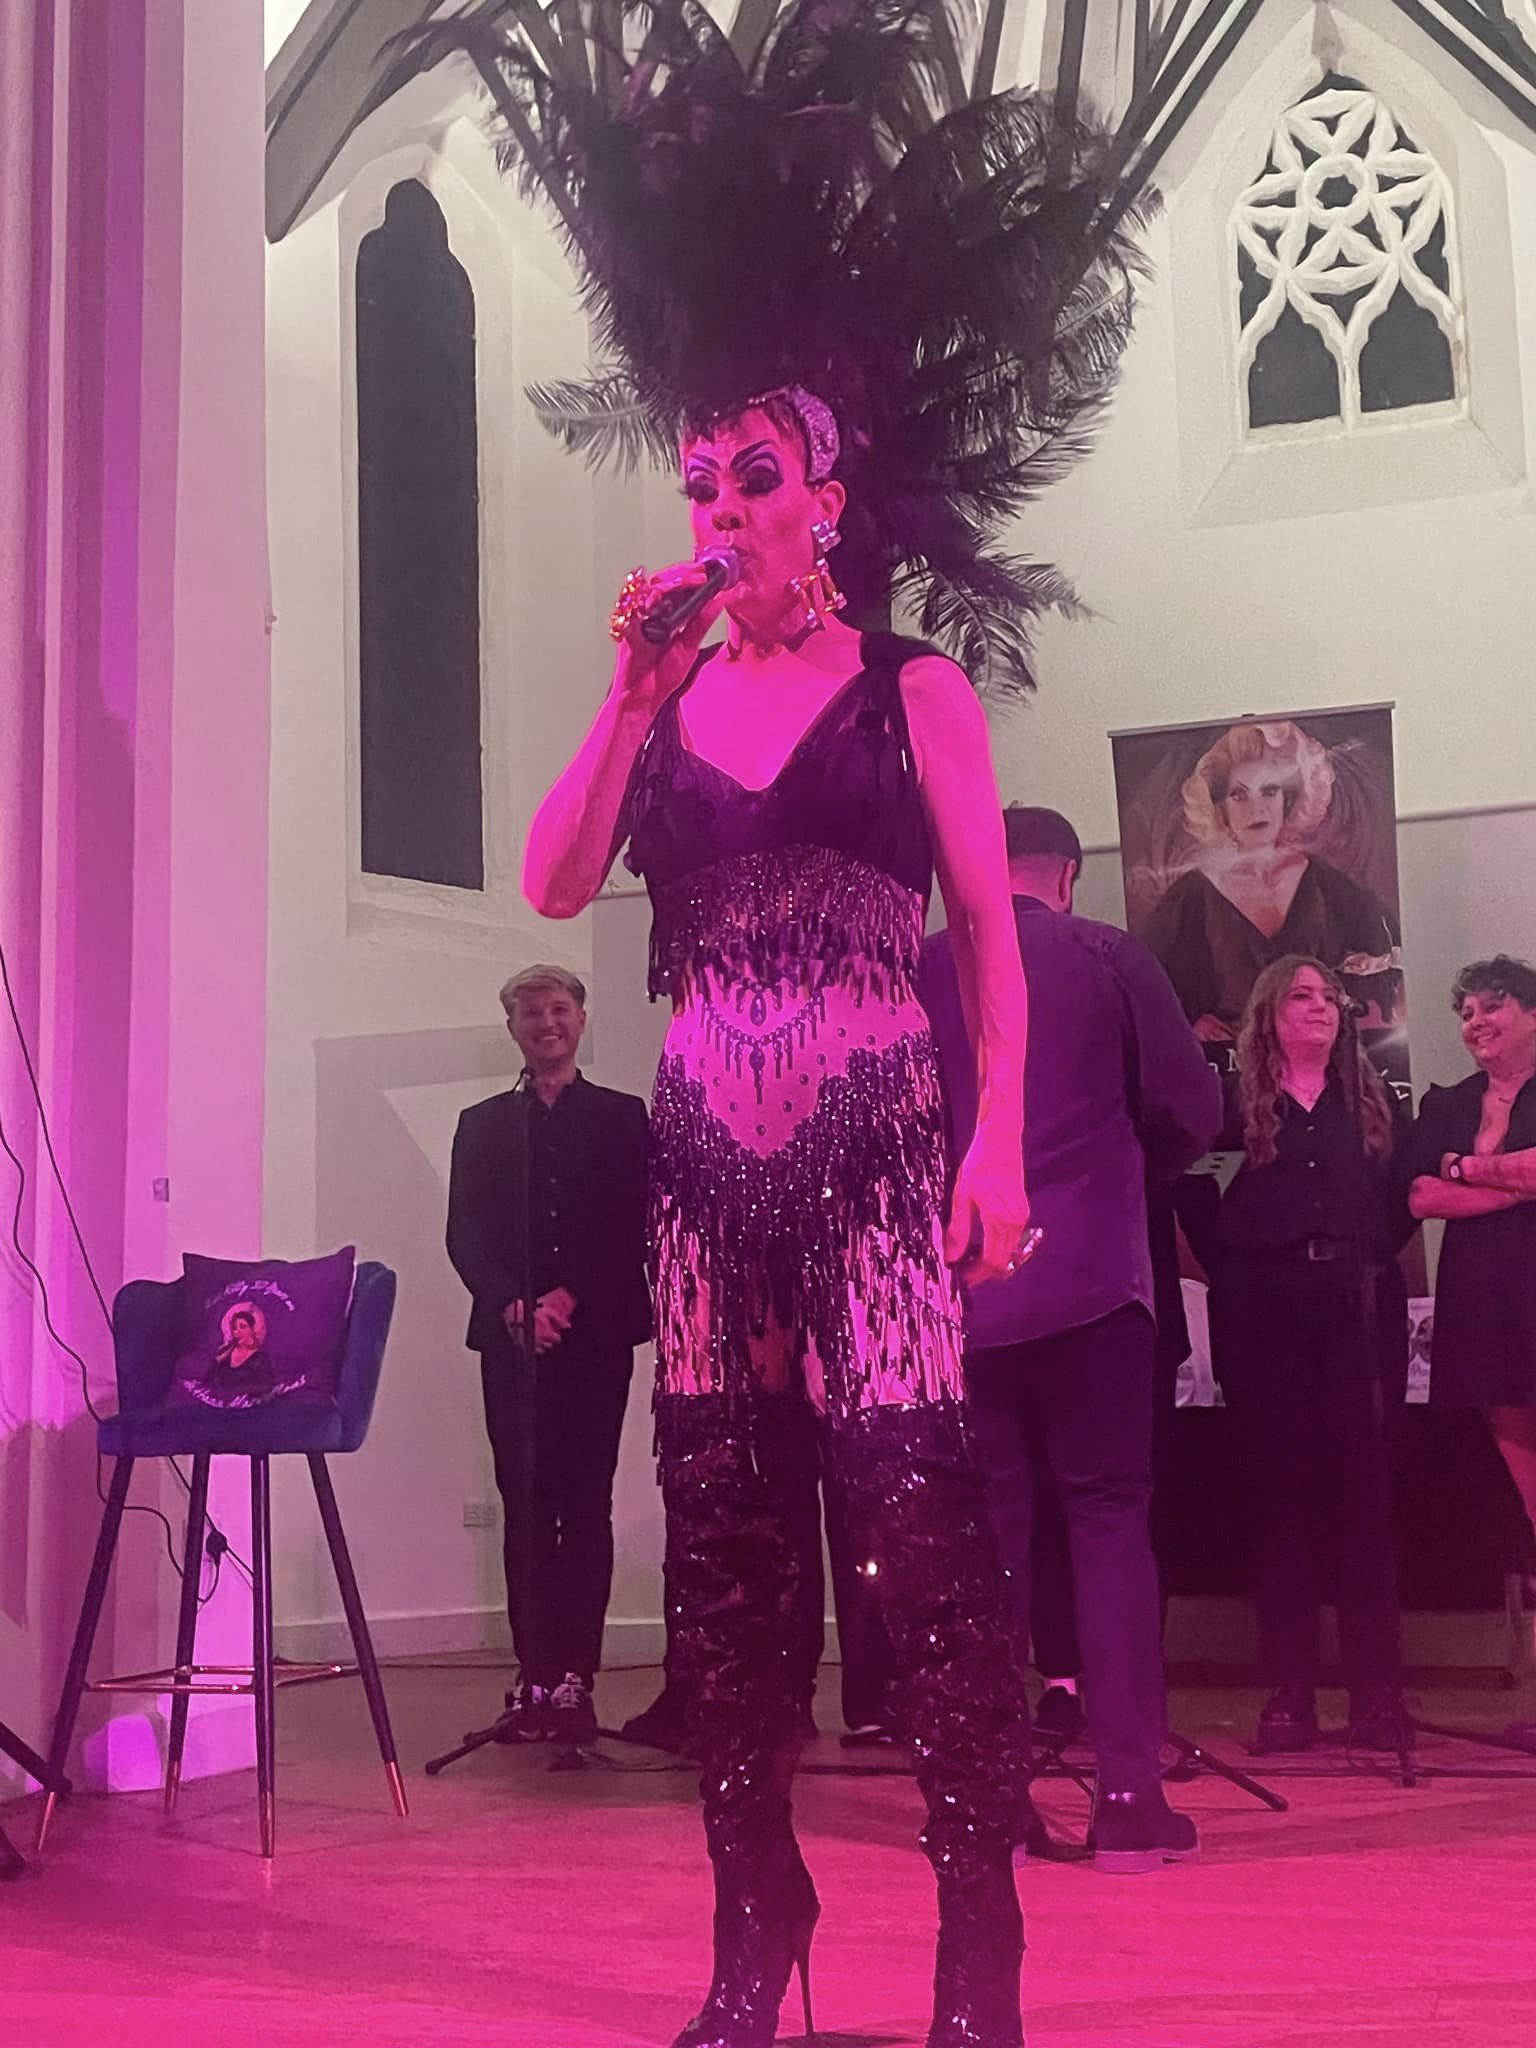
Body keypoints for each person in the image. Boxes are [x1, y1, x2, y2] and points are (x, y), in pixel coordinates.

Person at [391, 8, 1149, 2039]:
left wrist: (996, 1137)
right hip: (706, 1182)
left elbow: (986, 930)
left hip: (882, 1160)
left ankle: (976, 1933)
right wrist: (626, 692)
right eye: (699, 478)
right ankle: (757, 1917)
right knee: (723, 1553)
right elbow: (553, 880)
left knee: (916, 1533)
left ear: (827, 491)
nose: (720, 503)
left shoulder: (915, 690)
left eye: (753, 475)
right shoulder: (663, 703)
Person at [921, 805, 1221, 1872]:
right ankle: (1130, 1797)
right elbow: (1191, 1105)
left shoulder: (920, 969)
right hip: (1094, 1279)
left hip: (962, 1291)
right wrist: (1126, 1167)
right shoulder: (1109, 955)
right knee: (1108, 1522)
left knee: (985, 1540)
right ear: (1068, 875)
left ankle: (989, 1798)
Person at [1209, 957, 1413, 1753]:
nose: (1320, 1007)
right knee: (1281, 1499)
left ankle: (1377, 1693)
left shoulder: (1375, 1103)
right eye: (1301, 996)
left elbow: (1399, 1202)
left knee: (1368, 1501)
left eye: (1330, 996)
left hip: (1359, 1307)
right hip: (1266, 1312)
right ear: (1269, 1013)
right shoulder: (1233, 1109)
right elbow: (1197, 1198)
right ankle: (1290, 1692)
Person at [446, 965, 650, 1744]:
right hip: (512, 1341)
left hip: (594, 1338)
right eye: (531, 1012)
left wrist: (570, 1300)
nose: (546, 1023)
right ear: (513, 1029)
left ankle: (575, 1679)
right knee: (526, 1505)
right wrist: (513, 1303)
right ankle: (533, 1673)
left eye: (559, 1008)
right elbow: (465, 1232)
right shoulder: (483, 1124)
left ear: (581, 1020)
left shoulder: (623, 1118)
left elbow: (634, 1223)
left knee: (585, 1502)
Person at [1408, 955, 1536, 1740]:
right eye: (1465, 1012)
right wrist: (1511, 1180)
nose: (1475, 1022)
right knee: (1530, 1501)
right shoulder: (1449, 1102)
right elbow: (1422, 1194)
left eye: (1493, 1006)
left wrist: (1467, 1169)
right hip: (1483, 1308)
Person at [1144, 721, 1401, 1046]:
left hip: (1319, 1061)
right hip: (1232, 1066)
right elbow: (1147, 986)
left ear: (1288, 800)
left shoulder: (1327, 884)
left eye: (1269, 791)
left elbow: (1386, 959)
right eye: (1239, 795)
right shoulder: (1192, 896)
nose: (1256, 808)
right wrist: (1189, 1022)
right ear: (1220, 809)